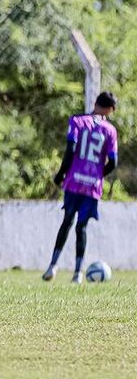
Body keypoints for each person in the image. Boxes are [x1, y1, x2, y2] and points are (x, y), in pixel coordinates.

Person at [44, 92, 118, 284]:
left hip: (74, 180)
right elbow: (113, 162)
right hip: (92, 185)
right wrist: (98, 174)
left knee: (67, 221)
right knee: (81, 227)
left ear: (95, 102)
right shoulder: (109, 130)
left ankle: (52, 266)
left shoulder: (77, 121)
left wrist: (61, 174)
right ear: (109, 109)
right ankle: (78, 273)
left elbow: (70, 150)